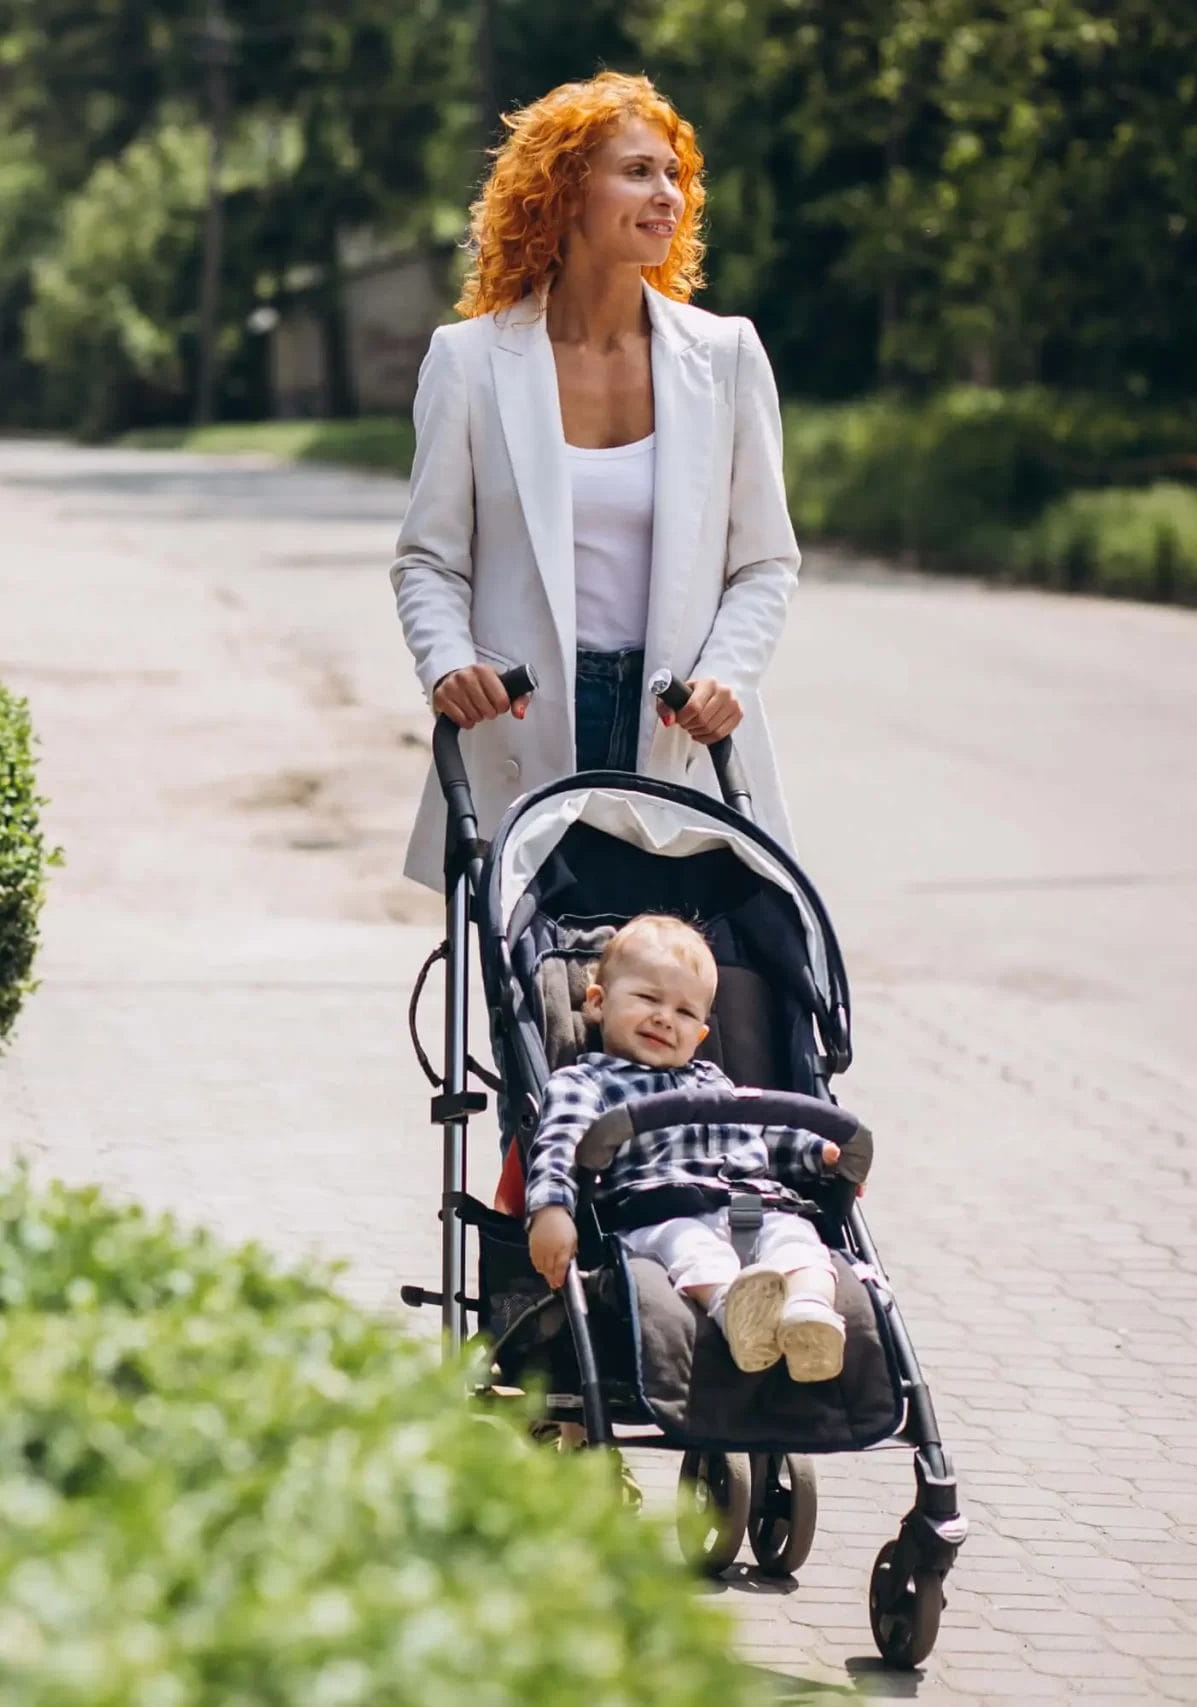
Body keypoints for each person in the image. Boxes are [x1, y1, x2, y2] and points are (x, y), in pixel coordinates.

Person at [391, 70, 804, 890]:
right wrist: (447, 663)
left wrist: (727, 675)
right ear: (564, 191)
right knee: (545, 1006)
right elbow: (429, 559)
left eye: (675, 175)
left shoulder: (725, 358)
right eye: (639, 171)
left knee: (673, 1005)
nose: (669, 196)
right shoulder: (470, 363)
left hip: (677, 730)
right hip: (521, 729)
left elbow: (763, 561)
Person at [521, 914, 859, 1381]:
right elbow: (556, 1145)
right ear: (597, 1003)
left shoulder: (712, 1082)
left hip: (751, 1205)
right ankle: (733, 1312)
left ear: (701, 1035)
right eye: (646, 998)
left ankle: (809, 1313)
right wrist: (551, 1209)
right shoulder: (585, 1082)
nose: (664, 1018)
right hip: (659, 1211)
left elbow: (760, 1137)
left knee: (797, 1240)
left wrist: (819, 1154)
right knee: (694, 1247)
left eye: (684, 1013)